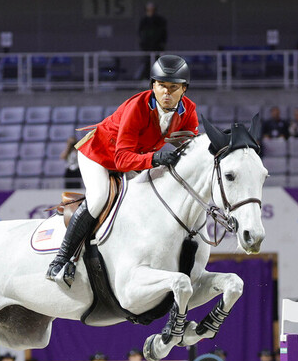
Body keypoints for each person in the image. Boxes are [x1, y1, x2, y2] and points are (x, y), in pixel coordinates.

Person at [47, 55, 198, 287]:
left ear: (184, 89)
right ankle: (60, 259)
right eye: (161, 86)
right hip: (98, 155)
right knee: (99, 198)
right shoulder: (136, 107)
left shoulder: (189, 110)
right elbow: (121, 159)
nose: (166, 93)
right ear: (153, 86)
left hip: (135, 158)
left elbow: (191, 148)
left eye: (173, 87)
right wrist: (156, 158)